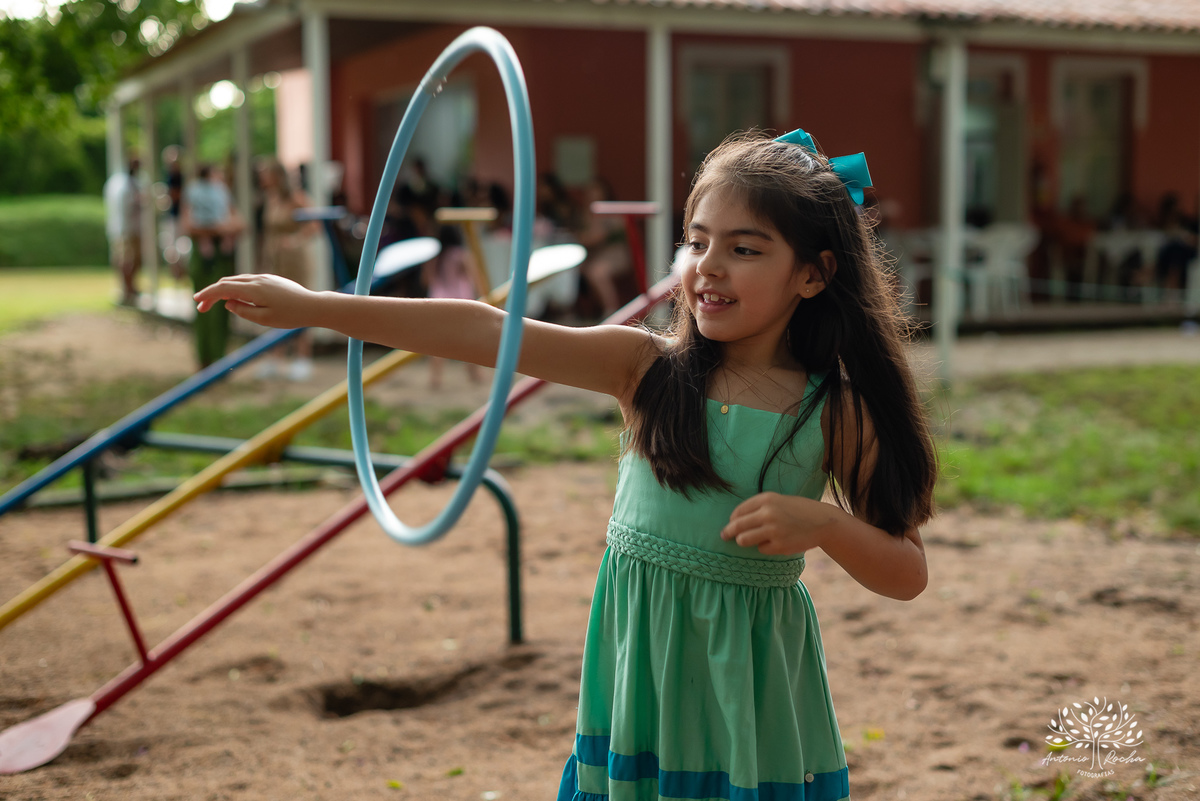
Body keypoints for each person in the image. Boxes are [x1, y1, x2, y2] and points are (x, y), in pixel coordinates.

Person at [194, 130, 936, 801]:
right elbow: (487, 330)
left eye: (745, 249)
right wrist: (318, 306)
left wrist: (824, 524)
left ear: (813, 274)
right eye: (698, 242)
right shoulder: (644, 368)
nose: (709, 268)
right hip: (639, 693)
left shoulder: (834, 413)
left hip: (753, 705)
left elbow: (906, 571)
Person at [256, 158, 318, 381]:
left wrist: (294, 240)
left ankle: (303, 357)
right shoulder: (270, 198)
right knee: (274, 304)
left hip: (294, 260)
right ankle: (277, 356)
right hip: (276, 260)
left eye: (266, 173)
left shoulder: (296, 198)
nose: (262, 178)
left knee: (300, 305)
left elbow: (314, 225)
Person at [183, 163, 245, 368]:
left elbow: (239, 223)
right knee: (203, 308)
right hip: (205, 259)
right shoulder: (201, 192)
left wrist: (220, 230)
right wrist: (216, 231)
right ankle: (205, 358)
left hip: (219, 256)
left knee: (221, 310)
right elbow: (189, 224)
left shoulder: (219, 193)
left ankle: (219, 358)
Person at [422, 224, 483, 390]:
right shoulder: (461, 254)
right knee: (468, 340)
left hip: (438, 299)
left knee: (437, 342)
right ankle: (474, 374)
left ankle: (435, 378)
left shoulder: (434, 257)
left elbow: (426, 279)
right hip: (461, 300)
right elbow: (475, 278)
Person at [103, 156, 143, 305]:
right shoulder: (122, 184)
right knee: (126, 260)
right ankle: (127, 290)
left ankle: (131, 288)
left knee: (133, 260)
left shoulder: (122, 182)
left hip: (129, 228)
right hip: (124, 229)